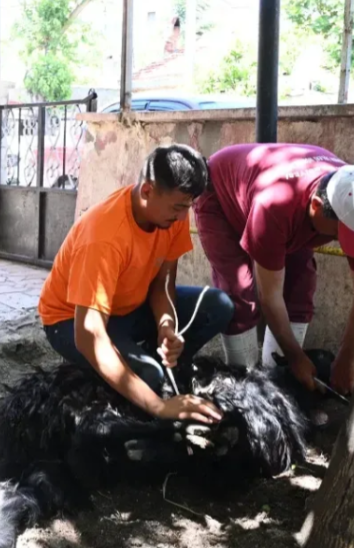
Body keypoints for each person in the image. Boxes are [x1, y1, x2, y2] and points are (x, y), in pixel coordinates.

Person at [39, 144, 235, 425]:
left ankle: (166, 366)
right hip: (71, 321)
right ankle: (122, 374)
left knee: (219, 306)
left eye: (187, 208)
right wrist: (159, 407)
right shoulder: (104, 237)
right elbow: (89, 335)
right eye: (178, 208)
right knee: (149, 376)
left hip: (129, 307)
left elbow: (163, 283)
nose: (183, 218)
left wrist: (166, 327)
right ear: (146, 191)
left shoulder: (171, 210)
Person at [193, 143, 354, 395]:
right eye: (339, 234)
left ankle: (278, 387)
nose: (343, 243)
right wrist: (296, 357)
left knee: (301, 286)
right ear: (317, 206)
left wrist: (347, 357)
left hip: (289, 207)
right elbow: (270, 296)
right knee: (240, 292)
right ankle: (245, 391)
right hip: (221, 195)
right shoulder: (275, 205)